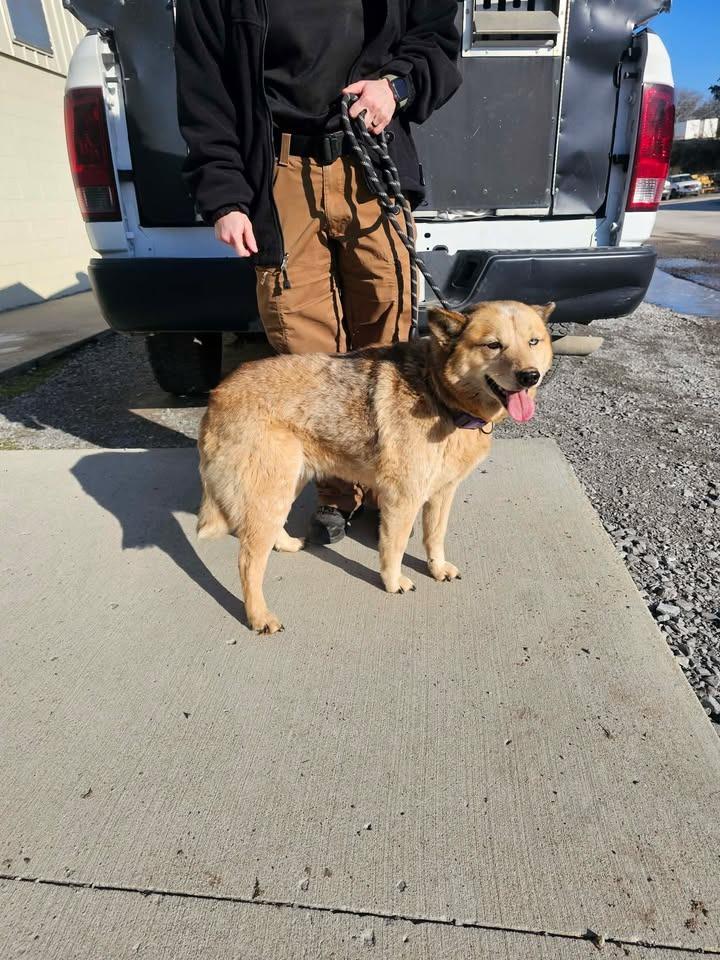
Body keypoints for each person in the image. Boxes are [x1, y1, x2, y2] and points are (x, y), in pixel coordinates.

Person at [175, 0, 462, 543]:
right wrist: (225, 196)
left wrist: (395, 87)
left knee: (390, 332)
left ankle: (392, 482)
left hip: (369, 156)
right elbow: (203, 93)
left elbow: (438, 39)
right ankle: (337, 490)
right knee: (306, 346)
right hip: (278, 167)